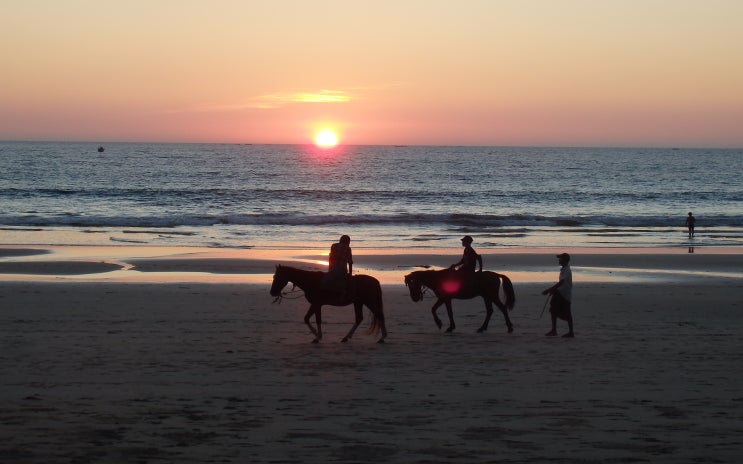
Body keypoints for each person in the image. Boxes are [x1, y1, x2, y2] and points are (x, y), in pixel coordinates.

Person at [542, 253, 574, 338]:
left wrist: (550, 289)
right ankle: (554, 330)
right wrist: (553, 290)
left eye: (560, 259)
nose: (559, 260)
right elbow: (561, 284)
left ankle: (570, 332)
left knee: (567, 312)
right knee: (553, 309)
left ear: (564, 260)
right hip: (560, 292)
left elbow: (561, 282)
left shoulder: (567, 270)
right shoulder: (564, 269)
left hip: (564, 294)